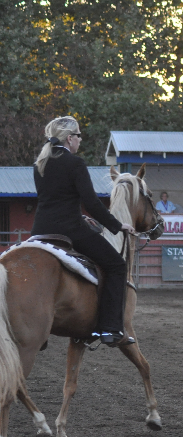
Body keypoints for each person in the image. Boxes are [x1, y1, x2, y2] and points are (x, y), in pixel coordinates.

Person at [31, 116, 135, 346]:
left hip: (39, 231)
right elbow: (92, 203)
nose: (80, 140)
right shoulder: (75, 164)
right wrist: (117, 225)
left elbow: (54, 201)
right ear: (70, 138)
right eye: (78, 136)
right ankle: (109, 329)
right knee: (116, 265)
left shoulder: (40, 164)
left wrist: (80, 216)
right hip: (69, 230)